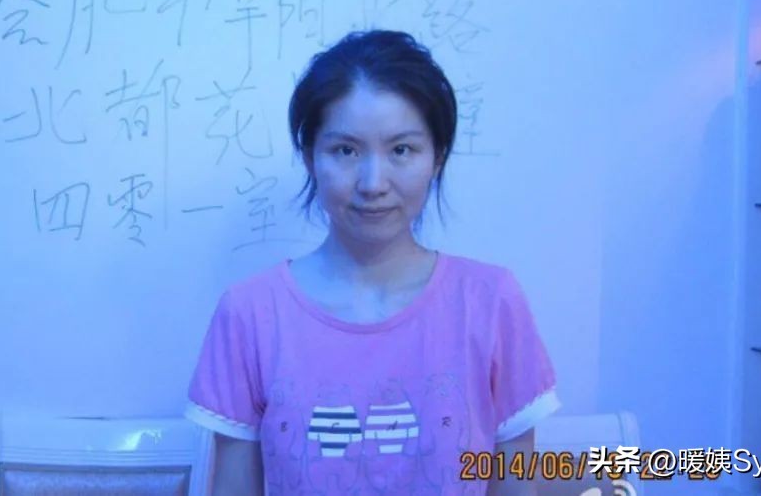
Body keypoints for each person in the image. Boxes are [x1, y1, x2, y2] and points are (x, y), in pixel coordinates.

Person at [185, 30, 560, 495]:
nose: (373, 182)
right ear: (310, 157)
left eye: (401, 150)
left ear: (437, 157)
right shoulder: (249, 313)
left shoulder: (490, 301)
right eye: (345, 150)